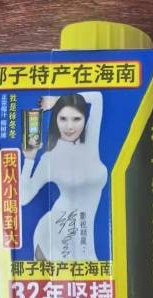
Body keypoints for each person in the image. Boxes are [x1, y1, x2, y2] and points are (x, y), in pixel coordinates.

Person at [20, 92, 107, 260]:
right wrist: (29, 160)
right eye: (63, 119)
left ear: (84, 119)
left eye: (76, 119)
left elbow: (97, 98)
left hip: (83, 237)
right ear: (56, 120)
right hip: (54, 234)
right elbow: (24, 198)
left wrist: (57, 100)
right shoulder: (50, 158)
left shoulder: (90, 143)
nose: (70, 126)